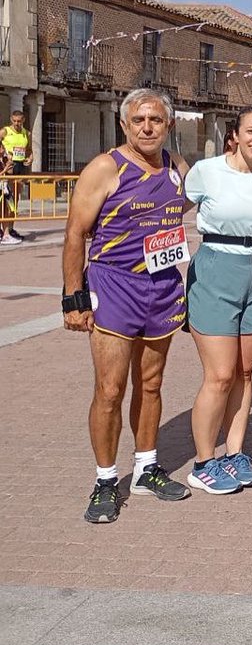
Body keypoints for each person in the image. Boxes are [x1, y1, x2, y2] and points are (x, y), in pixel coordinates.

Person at [63, 89, 192, 524]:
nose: (147, 127)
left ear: (168, 124)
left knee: (151, 385)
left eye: (156, 120)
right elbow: (76, 233)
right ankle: (104, 479)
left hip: (162, 288)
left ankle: (146, 467)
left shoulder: (178, 168)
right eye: (138, 120)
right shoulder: (105, 167)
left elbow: (200, 203)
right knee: (110, 390)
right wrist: (73, 296)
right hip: (114, 287)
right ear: (124, 125)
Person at [183, 107, 252, 494]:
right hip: (216, 270)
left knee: (243, 372)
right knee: (220, 374)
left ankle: (234, 453)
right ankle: (203, 461)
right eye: (251, 131)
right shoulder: (207, 172)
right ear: (235, 136)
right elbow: (169, 212)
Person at [0, 108, 31, 240]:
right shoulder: (5, 131)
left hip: (20, 168)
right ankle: (4, 231)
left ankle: (11, 229)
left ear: (23, 120)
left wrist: (30, 158)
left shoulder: (26, 133)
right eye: (15, 121)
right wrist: (5, 155)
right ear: (11, 120)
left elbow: (29, 150)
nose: (17, 123)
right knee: (5, 200)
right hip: (8, 168)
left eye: (19, 121)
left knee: (15, 201)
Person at [0, 148, 20, 245]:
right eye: (2, 147)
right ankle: (5, 234)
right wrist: (4, 170)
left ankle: (6, 234)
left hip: (4, 189)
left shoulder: (3, 159)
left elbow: (10, 172)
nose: (3, 149)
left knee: (6, 211)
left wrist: (9, 161)